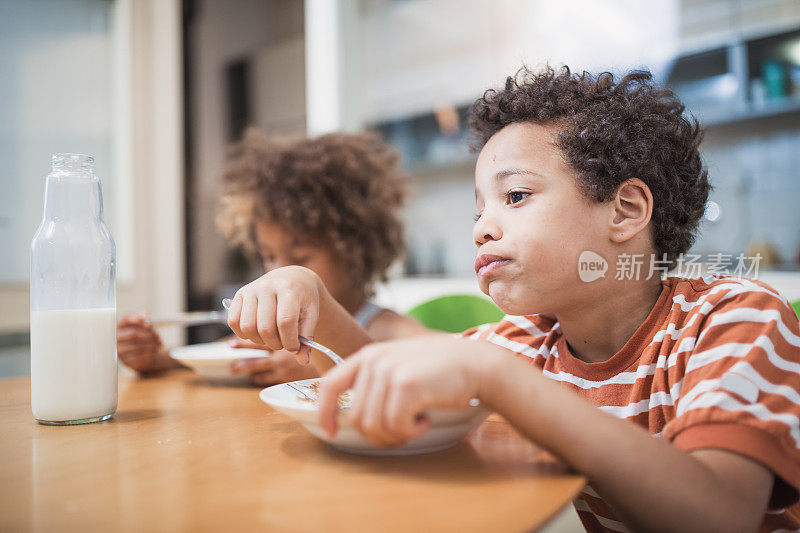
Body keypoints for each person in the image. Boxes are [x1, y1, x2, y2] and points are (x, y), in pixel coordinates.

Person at [226, 67, 800, 531]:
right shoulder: (525, 341)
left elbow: (718, 514)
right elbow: (394, 386)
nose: (482, 228)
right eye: (479, 210)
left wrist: (495, 378)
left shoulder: (734, 319)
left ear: (625, 211)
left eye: (516, 196)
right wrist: (317, 302)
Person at [117, 129, 426, 385]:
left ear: (354, 250)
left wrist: (317, 369)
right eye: (268, 256)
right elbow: (221, 353)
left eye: (300, 258)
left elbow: (455, 360)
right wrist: (154, 358)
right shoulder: (280, 325)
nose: (280, 272)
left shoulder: (385, 328)